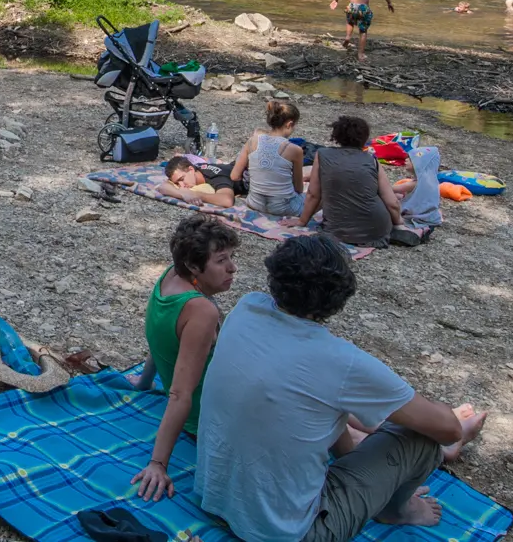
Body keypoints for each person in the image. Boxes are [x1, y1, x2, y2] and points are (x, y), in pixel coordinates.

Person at [194, 234, 488, 542]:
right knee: (421, 437)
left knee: (322, 405)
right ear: (339, 297)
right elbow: (447, 429)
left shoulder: (246, 307)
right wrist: (444, 419)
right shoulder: (341, 361)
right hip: (288, 532)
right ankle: (397, 510)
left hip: (214, 499)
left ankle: (374, 474)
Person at [130, 215, 240, 501]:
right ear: (194, 266)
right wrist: (158, 464)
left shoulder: (170, 276)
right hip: (209, 417)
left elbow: (158, 339)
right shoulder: (201, 310)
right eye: (221, 260)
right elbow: (180, 393)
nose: (232, 268)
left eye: (231, 257)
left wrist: (143, 382)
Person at [286, 115, 400, 248]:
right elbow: (392, 203)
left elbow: (313, 194)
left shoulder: (322, 154)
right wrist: (400, 223)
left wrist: (302, 221)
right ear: (364, 138)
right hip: (376, 231)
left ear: (336, 136)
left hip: (336, 231)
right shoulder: (371, 160)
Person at [226, 100, 307, 219]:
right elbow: (298, 188)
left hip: (254, 203)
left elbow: (234, 176)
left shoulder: (252, 141)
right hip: (283, 207)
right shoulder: (295, 150)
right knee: (317, 196)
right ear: (289, 124)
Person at [328, 0, 393, 61]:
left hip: (352, 6)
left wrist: (335, 0)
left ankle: (348, 37)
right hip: (363, 7)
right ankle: (360, 54)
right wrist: (389, 2)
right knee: (363, 31)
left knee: (350, 22)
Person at [389, 145, 442, 247]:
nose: (406, 160)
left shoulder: (414, 184)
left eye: (410, 159)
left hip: (416, 217)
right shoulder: (431, 181)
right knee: (399, 196)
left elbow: (390, 189)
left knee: (390, 201)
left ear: (421, 164)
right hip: (429, 216)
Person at [153, 155, 245, 209]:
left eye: (182, 179)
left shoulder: (216, 176)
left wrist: (196, 195)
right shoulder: (195, 172)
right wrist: (183, 194)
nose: (181, 185)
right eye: (177, 183)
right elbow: (163, 186)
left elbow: (227, 200)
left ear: (191, 169)